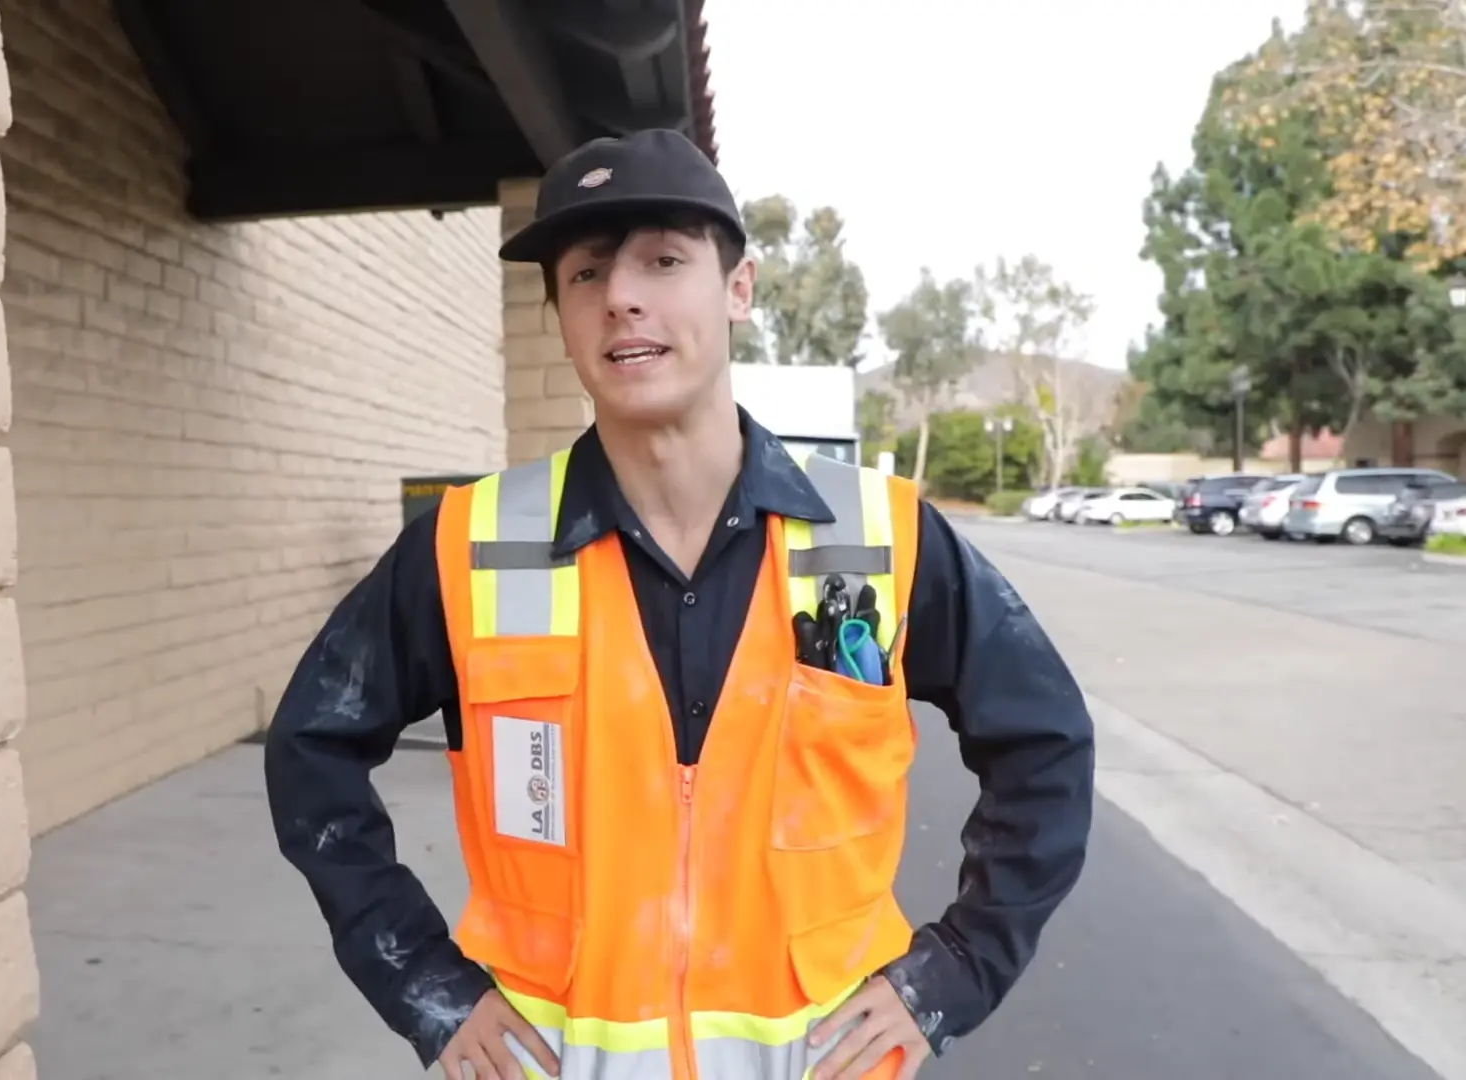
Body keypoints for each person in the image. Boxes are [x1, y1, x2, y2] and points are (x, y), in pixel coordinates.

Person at [264, 128, 1095, 1080]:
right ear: (561, 314)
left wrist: (955, 973)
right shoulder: (472, 546)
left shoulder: (875, 537)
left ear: (738, 289)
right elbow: (310, 751)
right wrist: (424, 984)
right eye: (586, 274)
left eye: (663, 260)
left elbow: (1047, 744)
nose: (622, 296)